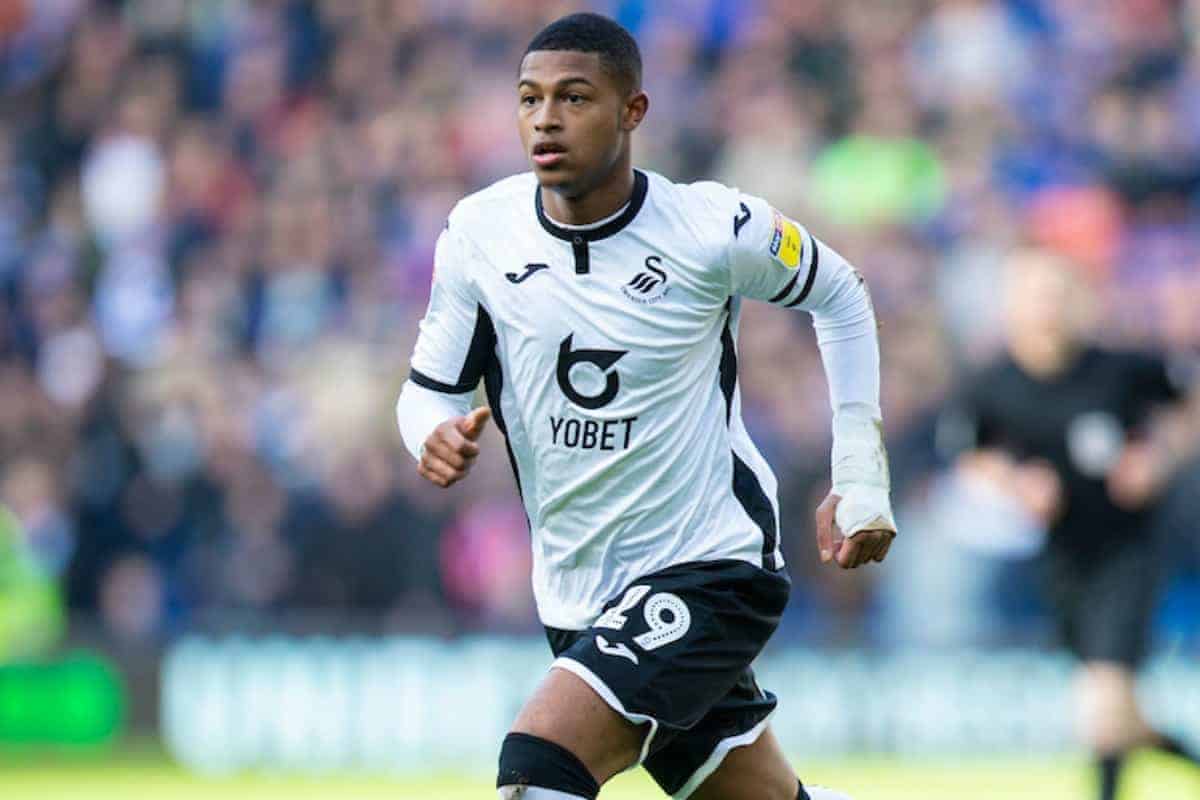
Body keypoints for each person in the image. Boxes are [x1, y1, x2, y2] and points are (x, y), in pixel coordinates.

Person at [396, 13, 896, 800]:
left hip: (711, 567)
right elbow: (430, 391)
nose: (546, 119)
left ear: (634, 111)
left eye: (575, 97)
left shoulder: (711, 228)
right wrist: (427, 434)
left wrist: (860, 473)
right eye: (529, 99)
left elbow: (841, 294)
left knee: (540, 763)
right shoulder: (477, 235)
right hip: (578, 591)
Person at [948, 249, 1200, 800]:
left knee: (1103, 702)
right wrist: (1017, 483)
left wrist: (1157, 456)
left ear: (1079, 302)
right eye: (1035, 297)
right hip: (1060, 558)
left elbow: (1188, 406)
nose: (1047, 309)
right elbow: (971, 456)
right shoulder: (993, 384)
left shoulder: (1120, 368)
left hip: (1127, 550)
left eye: (1058, 295)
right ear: (1012, 306)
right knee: (1117, 716)